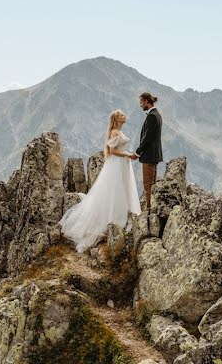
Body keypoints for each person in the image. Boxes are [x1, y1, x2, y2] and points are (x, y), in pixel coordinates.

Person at [59, 109, 141, 252]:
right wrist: (128, 155)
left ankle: (121, 213)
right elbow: (113, 151)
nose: (124, 116)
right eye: (122, 115)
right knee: (115, 189)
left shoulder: (119, 131)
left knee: (122, 188)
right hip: (116, 163)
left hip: (122, 164)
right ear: (116, 118)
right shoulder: (115, 132)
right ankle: (113, 218)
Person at [131, 92, 163, 211]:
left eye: (141, 102)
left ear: (146, 101)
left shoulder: (152, 116)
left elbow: (147, 138)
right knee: (152, 183)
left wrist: (137, 153)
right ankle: (152, 208)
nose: (140, 105)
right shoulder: (157, 115)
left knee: (148, 184)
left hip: (149, 156)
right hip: (154, 155)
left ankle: (149, 210)